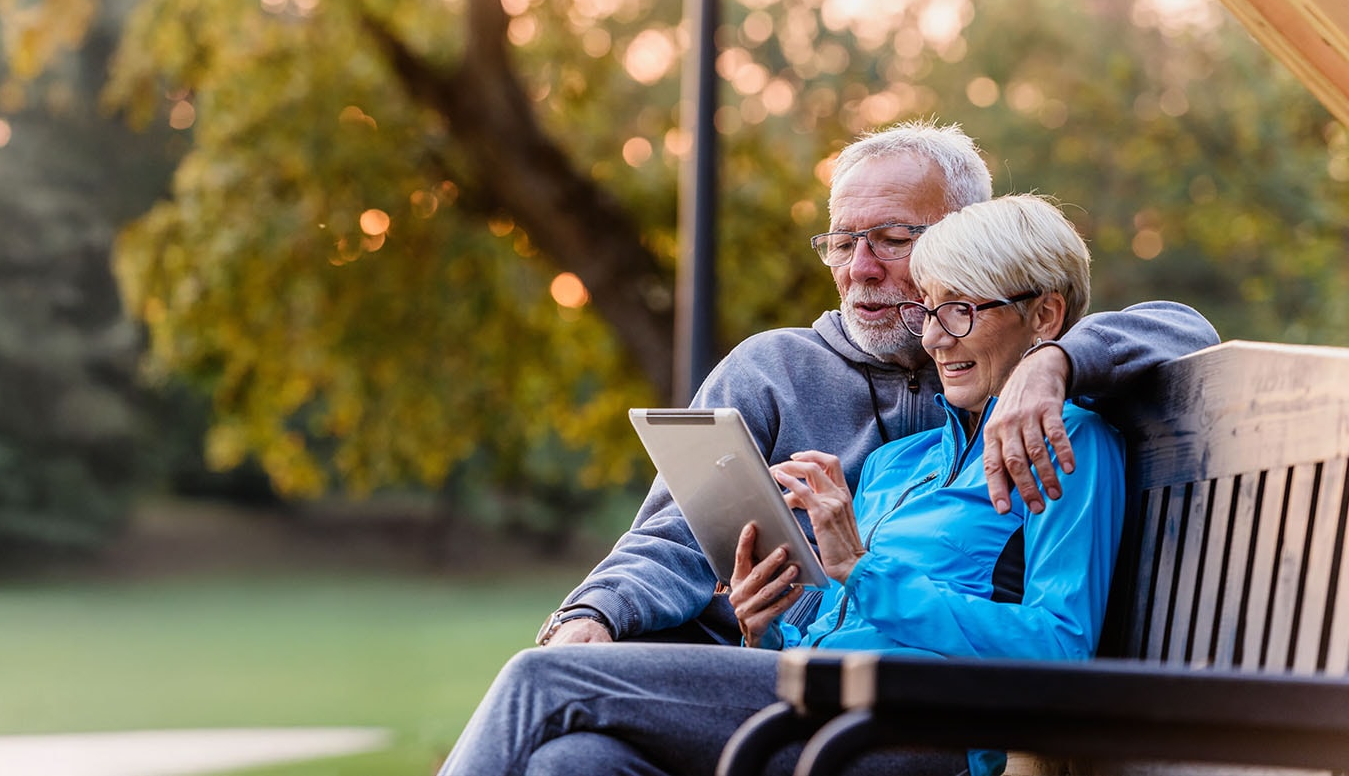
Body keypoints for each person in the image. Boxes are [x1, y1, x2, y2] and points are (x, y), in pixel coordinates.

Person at [438, 194, 1128, 776]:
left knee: (544, 678)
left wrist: (861, 567)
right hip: (828, 705)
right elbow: (841, 619)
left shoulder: (1072, 443)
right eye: (931, 312)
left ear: (1045, 315)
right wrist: (767, 624)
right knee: (578, 760)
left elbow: (1057, 648)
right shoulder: (902, 461)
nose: (938, 340)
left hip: (918, 727)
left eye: (963, 312)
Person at [540, 122, 1217, 647]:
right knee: (567, 724)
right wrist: (596, 614)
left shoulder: (1018, 371)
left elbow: (1181, 328)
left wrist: (1054, 363)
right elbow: (674, 535)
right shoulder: (776, 373)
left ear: (961, 242)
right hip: (744, 664)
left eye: (892, 238)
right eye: (842, 241)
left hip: (880, 715)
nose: (860, 268)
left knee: (556, 705)